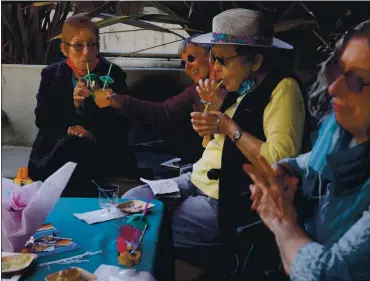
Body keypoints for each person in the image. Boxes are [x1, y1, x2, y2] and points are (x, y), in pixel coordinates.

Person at [124, 8, 305, 275]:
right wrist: (214, 119)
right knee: (131, 203)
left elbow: (280, 158)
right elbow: (213, 143)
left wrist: (228, 126)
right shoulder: (241, 88)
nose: (215, 69)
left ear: (255, 61)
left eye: (222, 60)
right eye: (212, 58)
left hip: (228, 201)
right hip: (196, 181)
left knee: (148, 225)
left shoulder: (283, 90)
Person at [244, 19, 370, 281]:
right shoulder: (339, 130)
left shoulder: (283, 89)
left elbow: (327, 273)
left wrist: (282, 222)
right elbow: (309, 161)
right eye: (338, 70)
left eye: (357, 81)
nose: (334, 88)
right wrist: (285, 169)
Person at [28, 15, 139, 197]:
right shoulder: (51, 74)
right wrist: (75, 107)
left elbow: (123, 122)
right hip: (58, 148)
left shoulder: (112, 74)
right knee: (71, 148)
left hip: (101, 147)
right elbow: (43, 119)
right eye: (78, 45)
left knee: (81, 151)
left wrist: (92, 131)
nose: (87, 52)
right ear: (64, 48)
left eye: (92, 44)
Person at [107, 34, 214, 163]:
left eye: (191, 58)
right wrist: (122, 102)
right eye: (183, 63)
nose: (187, 68)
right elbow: (163, 111)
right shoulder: (195, 90)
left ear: (211, 56)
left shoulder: (229, 88)